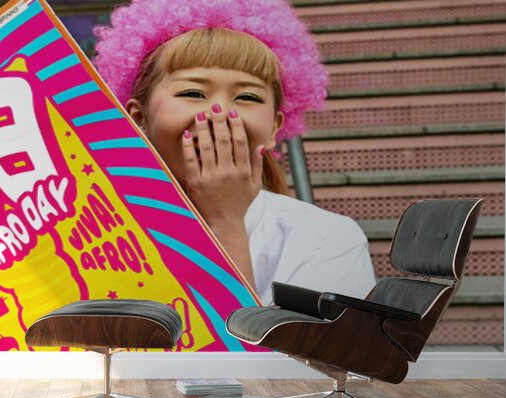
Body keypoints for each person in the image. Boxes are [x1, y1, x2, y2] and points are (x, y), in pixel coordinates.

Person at [93, 0, 375, 304]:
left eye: (247, 96)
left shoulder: (327, 238)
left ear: (273, 128)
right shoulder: (89, 230)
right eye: (193, 93)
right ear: (138, 119)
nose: (220, 112)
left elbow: (245, 353)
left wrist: (226, 223)